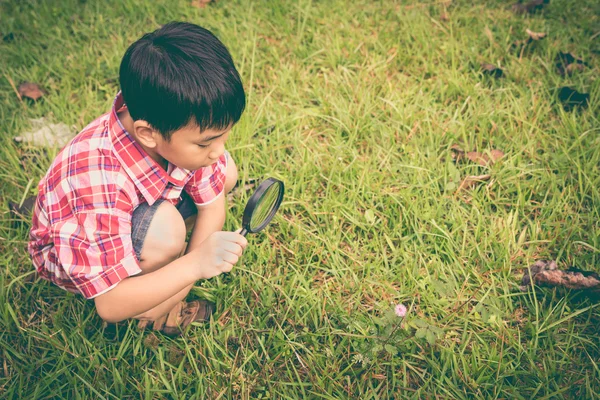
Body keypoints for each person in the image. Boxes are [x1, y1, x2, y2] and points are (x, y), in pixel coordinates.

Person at [28, 22, 248, 336]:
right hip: (83, 255)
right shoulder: (99, 182)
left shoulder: (167, 116)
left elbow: (213, 207)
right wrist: (194, 264)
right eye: (205, 143)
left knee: (227, 173)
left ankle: (161, 277)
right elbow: (110, 305)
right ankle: (150, 315)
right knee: (167, 230)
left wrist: (183, 283)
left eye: (224, 136)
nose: (217, 151)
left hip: (142, 197)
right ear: (148, 133)